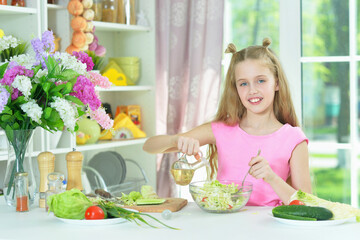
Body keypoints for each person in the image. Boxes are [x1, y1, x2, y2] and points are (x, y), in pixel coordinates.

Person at [143, 38, 312, 206]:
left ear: (276, 83)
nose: (252, 90)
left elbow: (308, 204)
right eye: (243, 83)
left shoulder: (293, 138)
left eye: (261, 80)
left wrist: (272, 177)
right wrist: (175, 140)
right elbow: (149, 146)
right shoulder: (223, 130)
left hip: (271, 229)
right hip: (224, 226)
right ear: (236, 88)